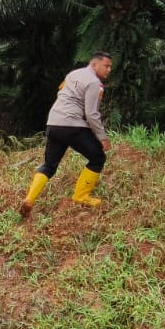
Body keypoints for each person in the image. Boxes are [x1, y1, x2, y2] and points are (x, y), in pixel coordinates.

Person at [18, 51, 113, 217]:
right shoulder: (94, 83)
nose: (109, 70)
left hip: (53, 124)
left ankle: (29, 199)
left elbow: (61, 93)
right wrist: (103, 138)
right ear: (94, 64)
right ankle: (81, 196)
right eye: (106, 66)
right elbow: (92, 114)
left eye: (110, 67)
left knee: (49, 165)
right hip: (72, 126)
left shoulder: (73, 74)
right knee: (98, 157)